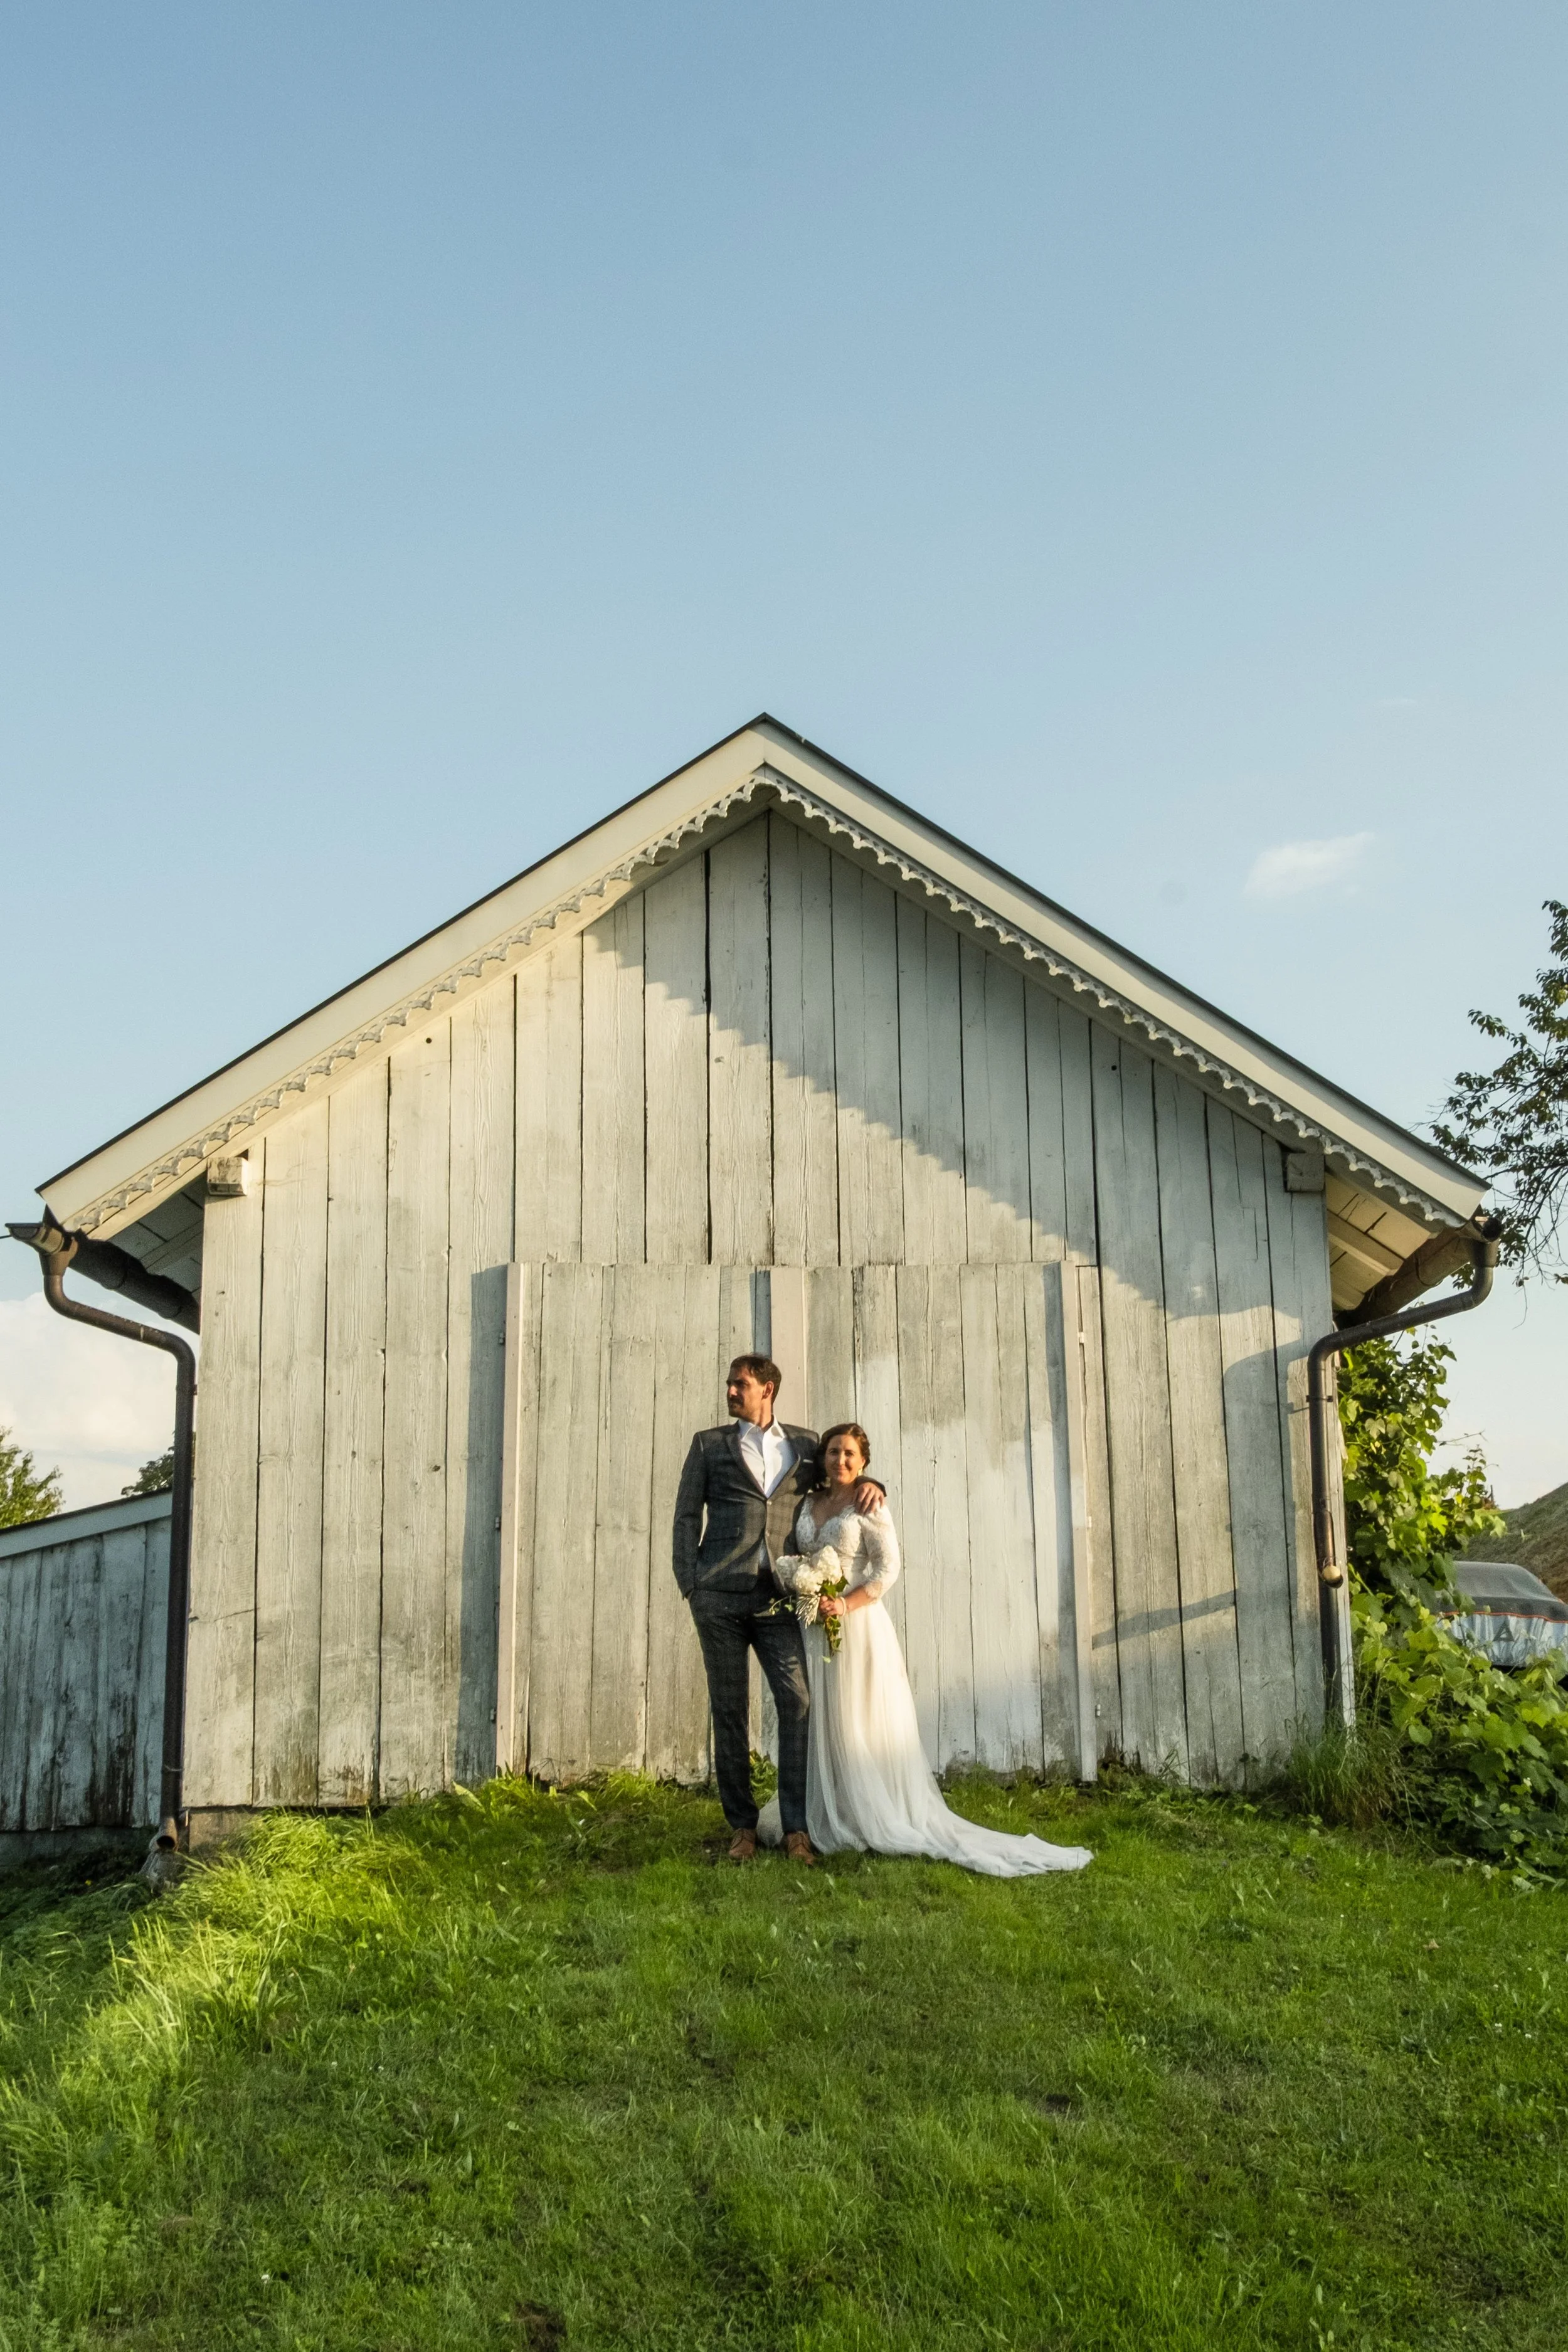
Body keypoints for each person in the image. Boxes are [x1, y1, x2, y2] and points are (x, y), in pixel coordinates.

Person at [758, 1422, 1093, 1878]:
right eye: (834, 1452)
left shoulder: (868, 1504)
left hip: (855, 1628)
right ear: (823, 1457)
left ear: (864, 1463)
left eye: (850, 1454)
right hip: (811, 1626)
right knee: (815, 1720)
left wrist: (845, 1604)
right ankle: (819, 1808)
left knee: (854, 1721)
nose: (841, 1460)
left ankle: (863, 1811)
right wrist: (807, 1588)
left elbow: (887, 1568)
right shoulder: (809, 1503)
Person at [672, 1357, 882, 1865]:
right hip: (719, 1597)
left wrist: (879, 1487)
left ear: (768, 1390)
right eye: (729, 1383)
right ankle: (742, 1827)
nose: (730, 1390)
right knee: (729, 1711)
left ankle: (795, 1829)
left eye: (740, 1384)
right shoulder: (709, 1444)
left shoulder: (806, 1445)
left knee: (797, 1703)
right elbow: (685, 1513)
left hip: (779, 1599)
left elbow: (842, 1476)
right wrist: (691, 1584)